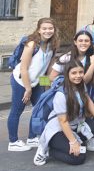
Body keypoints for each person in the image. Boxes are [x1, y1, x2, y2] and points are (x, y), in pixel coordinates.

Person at [33, 60, 94, 166]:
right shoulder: (61, 94)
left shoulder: (81, 85)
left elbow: (88, 101)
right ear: (67, 74)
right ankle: (47, 149)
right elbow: (63, 122)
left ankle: (73, 142)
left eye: (80, 72)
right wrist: (73, 142)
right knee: (79, 158)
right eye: (74, 73)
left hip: (74, 126)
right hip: (58, 129)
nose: (78, 76)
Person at [8, 18, 59, 152]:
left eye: (50, 28)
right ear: (38, 30)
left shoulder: (52, 45)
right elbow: (24, 69)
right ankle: (13, 142)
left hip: (36, 81)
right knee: (16, 111)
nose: (48, 31)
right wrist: (28, 89)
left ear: (54, 30)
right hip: (21, 81)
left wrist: (47, 88)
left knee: (39, 109)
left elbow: (47, 70)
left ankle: (31, 137)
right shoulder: (31, 45)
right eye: (44, 28)